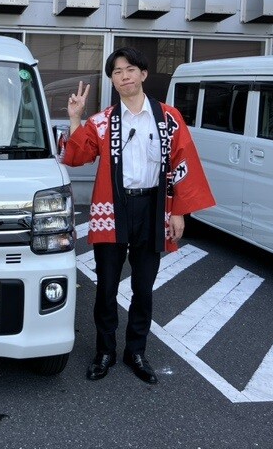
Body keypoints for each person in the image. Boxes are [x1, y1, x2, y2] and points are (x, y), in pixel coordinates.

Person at [64, 47, 215, 385]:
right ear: (112, 80)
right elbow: (76, 156)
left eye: (130, 69)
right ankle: (104, 351)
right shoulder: (102, 121)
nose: (124, 76)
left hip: (153, 207)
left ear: (143, 74)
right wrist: (75, 119)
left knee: (143, 287)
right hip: (113, 208)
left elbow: (183, 163)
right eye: (117, 72)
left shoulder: (169, 118)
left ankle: (136, 351)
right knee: (106, 286)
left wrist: (179, 212)